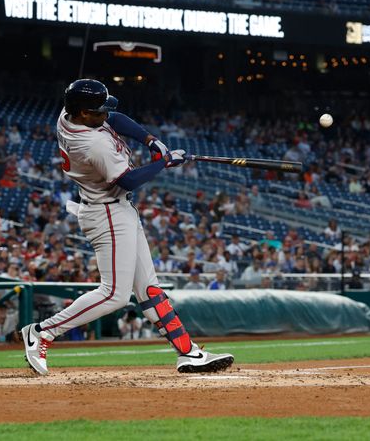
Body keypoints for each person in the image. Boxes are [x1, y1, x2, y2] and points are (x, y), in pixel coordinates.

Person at [21, 80, 233, 375]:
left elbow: (115, 118)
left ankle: (188, 353)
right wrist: (165, 163)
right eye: (99, 111)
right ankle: (42, 332)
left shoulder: (69, 115)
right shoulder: (93, 144)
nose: (105, 115)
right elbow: (128, 180)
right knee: (115, 295)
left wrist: (150, 140)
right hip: (106, 212)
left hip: (117, 210)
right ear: (83, 112)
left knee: (149, 288)